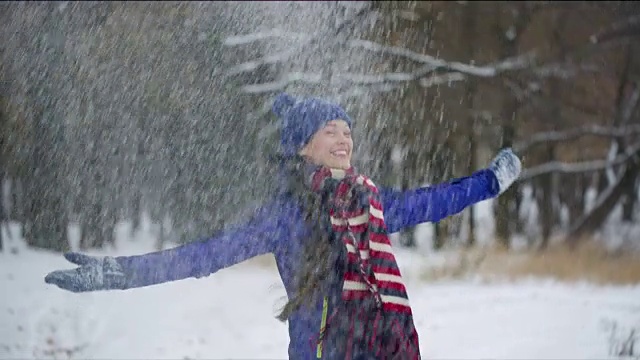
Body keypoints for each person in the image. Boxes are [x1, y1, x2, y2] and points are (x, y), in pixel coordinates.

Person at [45, 92, 522, 359]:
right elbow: (204, 255)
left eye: (346, 129)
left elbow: (434, 201)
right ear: (302, 148)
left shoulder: (371, 202)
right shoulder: (285, 215)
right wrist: (121, 273)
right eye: (329, 130)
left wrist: (489, 182)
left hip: (386, 350)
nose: (344, 137)